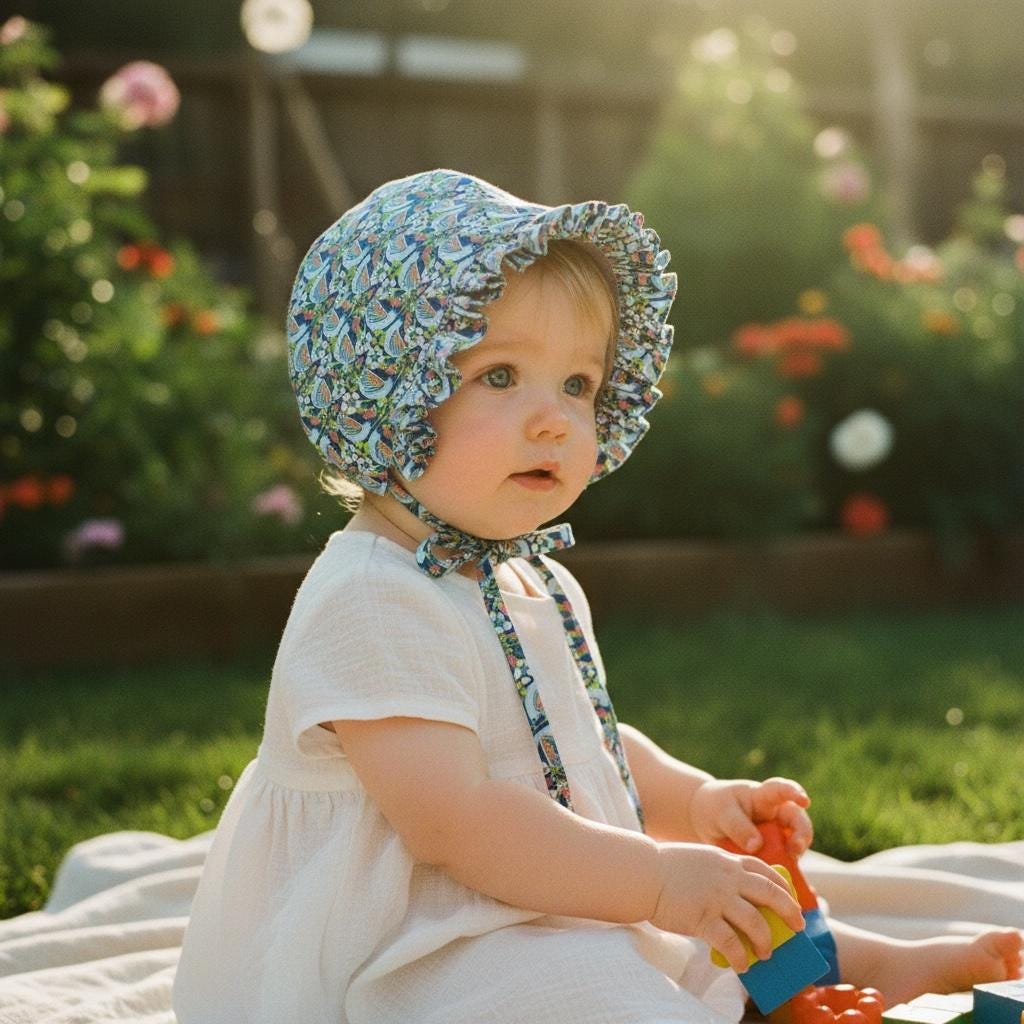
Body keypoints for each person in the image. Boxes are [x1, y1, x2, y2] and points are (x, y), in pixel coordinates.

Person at [171, 169, 1021, 1023]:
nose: (555, 419)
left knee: (727, 909)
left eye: (577, 385)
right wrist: (655, 880)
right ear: (386, 393)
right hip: (414, 947)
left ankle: (850, 971)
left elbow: (588, 744)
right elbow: (457, 823)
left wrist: (695, 803)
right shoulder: (374, 598)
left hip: (542, 899)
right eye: (501, 376)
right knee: (589, 984)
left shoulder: (530, 578)